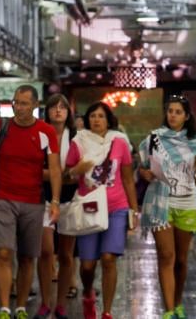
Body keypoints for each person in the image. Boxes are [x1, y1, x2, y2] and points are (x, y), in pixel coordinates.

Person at [0, 85, 62, 319]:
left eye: (24, 103)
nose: (18, 107)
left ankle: (21, 306)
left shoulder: (46, 132)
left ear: (35, 105)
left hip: (33, 202)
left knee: (26, 256)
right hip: (4, 198)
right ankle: (4, 307)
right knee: (3, 252)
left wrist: (55, 201)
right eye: (16, 102)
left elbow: (54, 168)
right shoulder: (1, 127)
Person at [64, 102, 138, 319]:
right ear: (87, 120)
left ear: (109, 120)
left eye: (101, 116)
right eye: (93, 116)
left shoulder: (119, 142)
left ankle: (106, 311)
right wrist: (76, 170)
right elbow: (68, 175)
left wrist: (134, 210)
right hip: (89, 207)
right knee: (87, 265)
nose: (96, 120)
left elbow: (127, 179)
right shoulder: (79, 142)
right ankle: (88, 292)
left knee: (108, 258)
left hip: (116, 207)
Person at [139, 96, 196, 319]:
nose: (173, 115)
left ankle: (178, 302)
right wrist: (145, 173)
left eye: (178, 112)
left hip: (187, 203)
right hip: (161, 202)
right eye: (170, 111)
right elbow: (141, 167)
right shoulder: (153, 139)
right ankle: (168, 311)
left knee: (181, 260)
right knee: (166, 256)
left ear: (187, 116)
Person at [34, 94, 78, 319]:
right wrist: (56, 174)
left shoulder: (76, 136)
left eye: (62, 107)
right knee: (45, 250)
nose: (58, 111)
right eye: (54, 107)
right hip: (43, 198)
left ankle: (60, 302)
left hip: (70, 198)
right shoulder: (39, 135)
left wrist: (63, 175)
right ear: (47, 111)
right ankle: (45, 301)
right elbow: (33, 169)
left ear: (68, 112)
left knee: (66, 255)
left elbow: (81, 169)